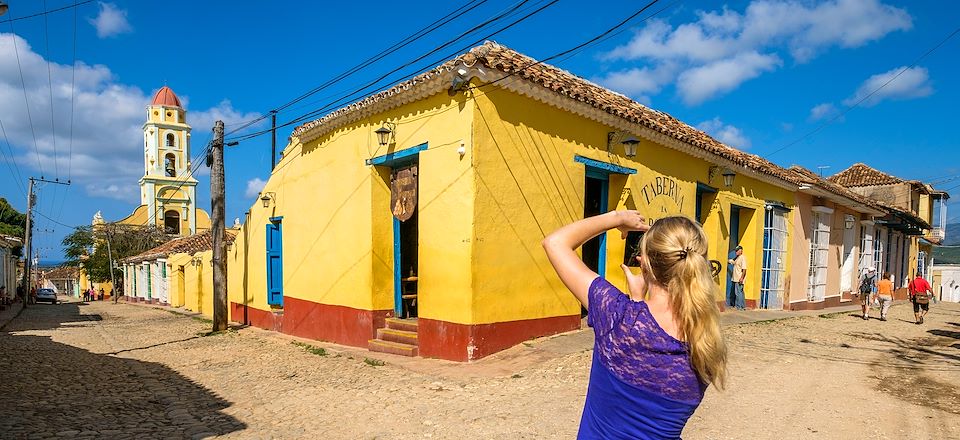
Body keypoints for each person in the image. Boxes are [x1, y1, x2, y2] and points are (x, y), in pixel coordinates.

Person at [542, 212, 727, 438]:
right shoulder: (706, 342)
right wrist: (638, 301)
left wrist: (618, 218)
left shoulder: (618, 317)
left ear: (644, 263)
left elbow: (555, 243)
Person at [727, 245, 747, 310]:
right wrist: (727, 260)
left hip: (739, 279)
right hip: (735, 279)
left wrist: (741, 278)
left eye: (737, 250)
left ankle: (739, 307)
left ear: (741, 251)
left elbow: (744, 269)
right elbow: (733, 262)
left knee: (738, 293)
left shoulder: (742, 258)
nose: (736, 252)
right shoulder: (738, 258)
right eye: (736, 251)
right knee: (740, 292)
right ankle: (742, 306)